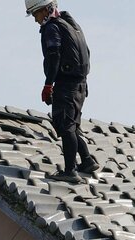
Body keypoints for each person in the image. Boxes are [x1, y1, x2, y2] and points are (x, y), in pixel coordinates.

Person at [25, 0, 98, 184]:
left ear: (45, 10)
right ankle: (87, 161)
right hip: (81, 85)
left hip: (67, 85)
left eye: (36, 14)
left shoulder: (52, 28)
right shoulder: (71, 24)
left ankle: (70, 171)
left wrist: (48, 84)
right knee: (71, 125)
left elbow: (53, 55)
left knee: (65, 126)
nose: (36, 20)